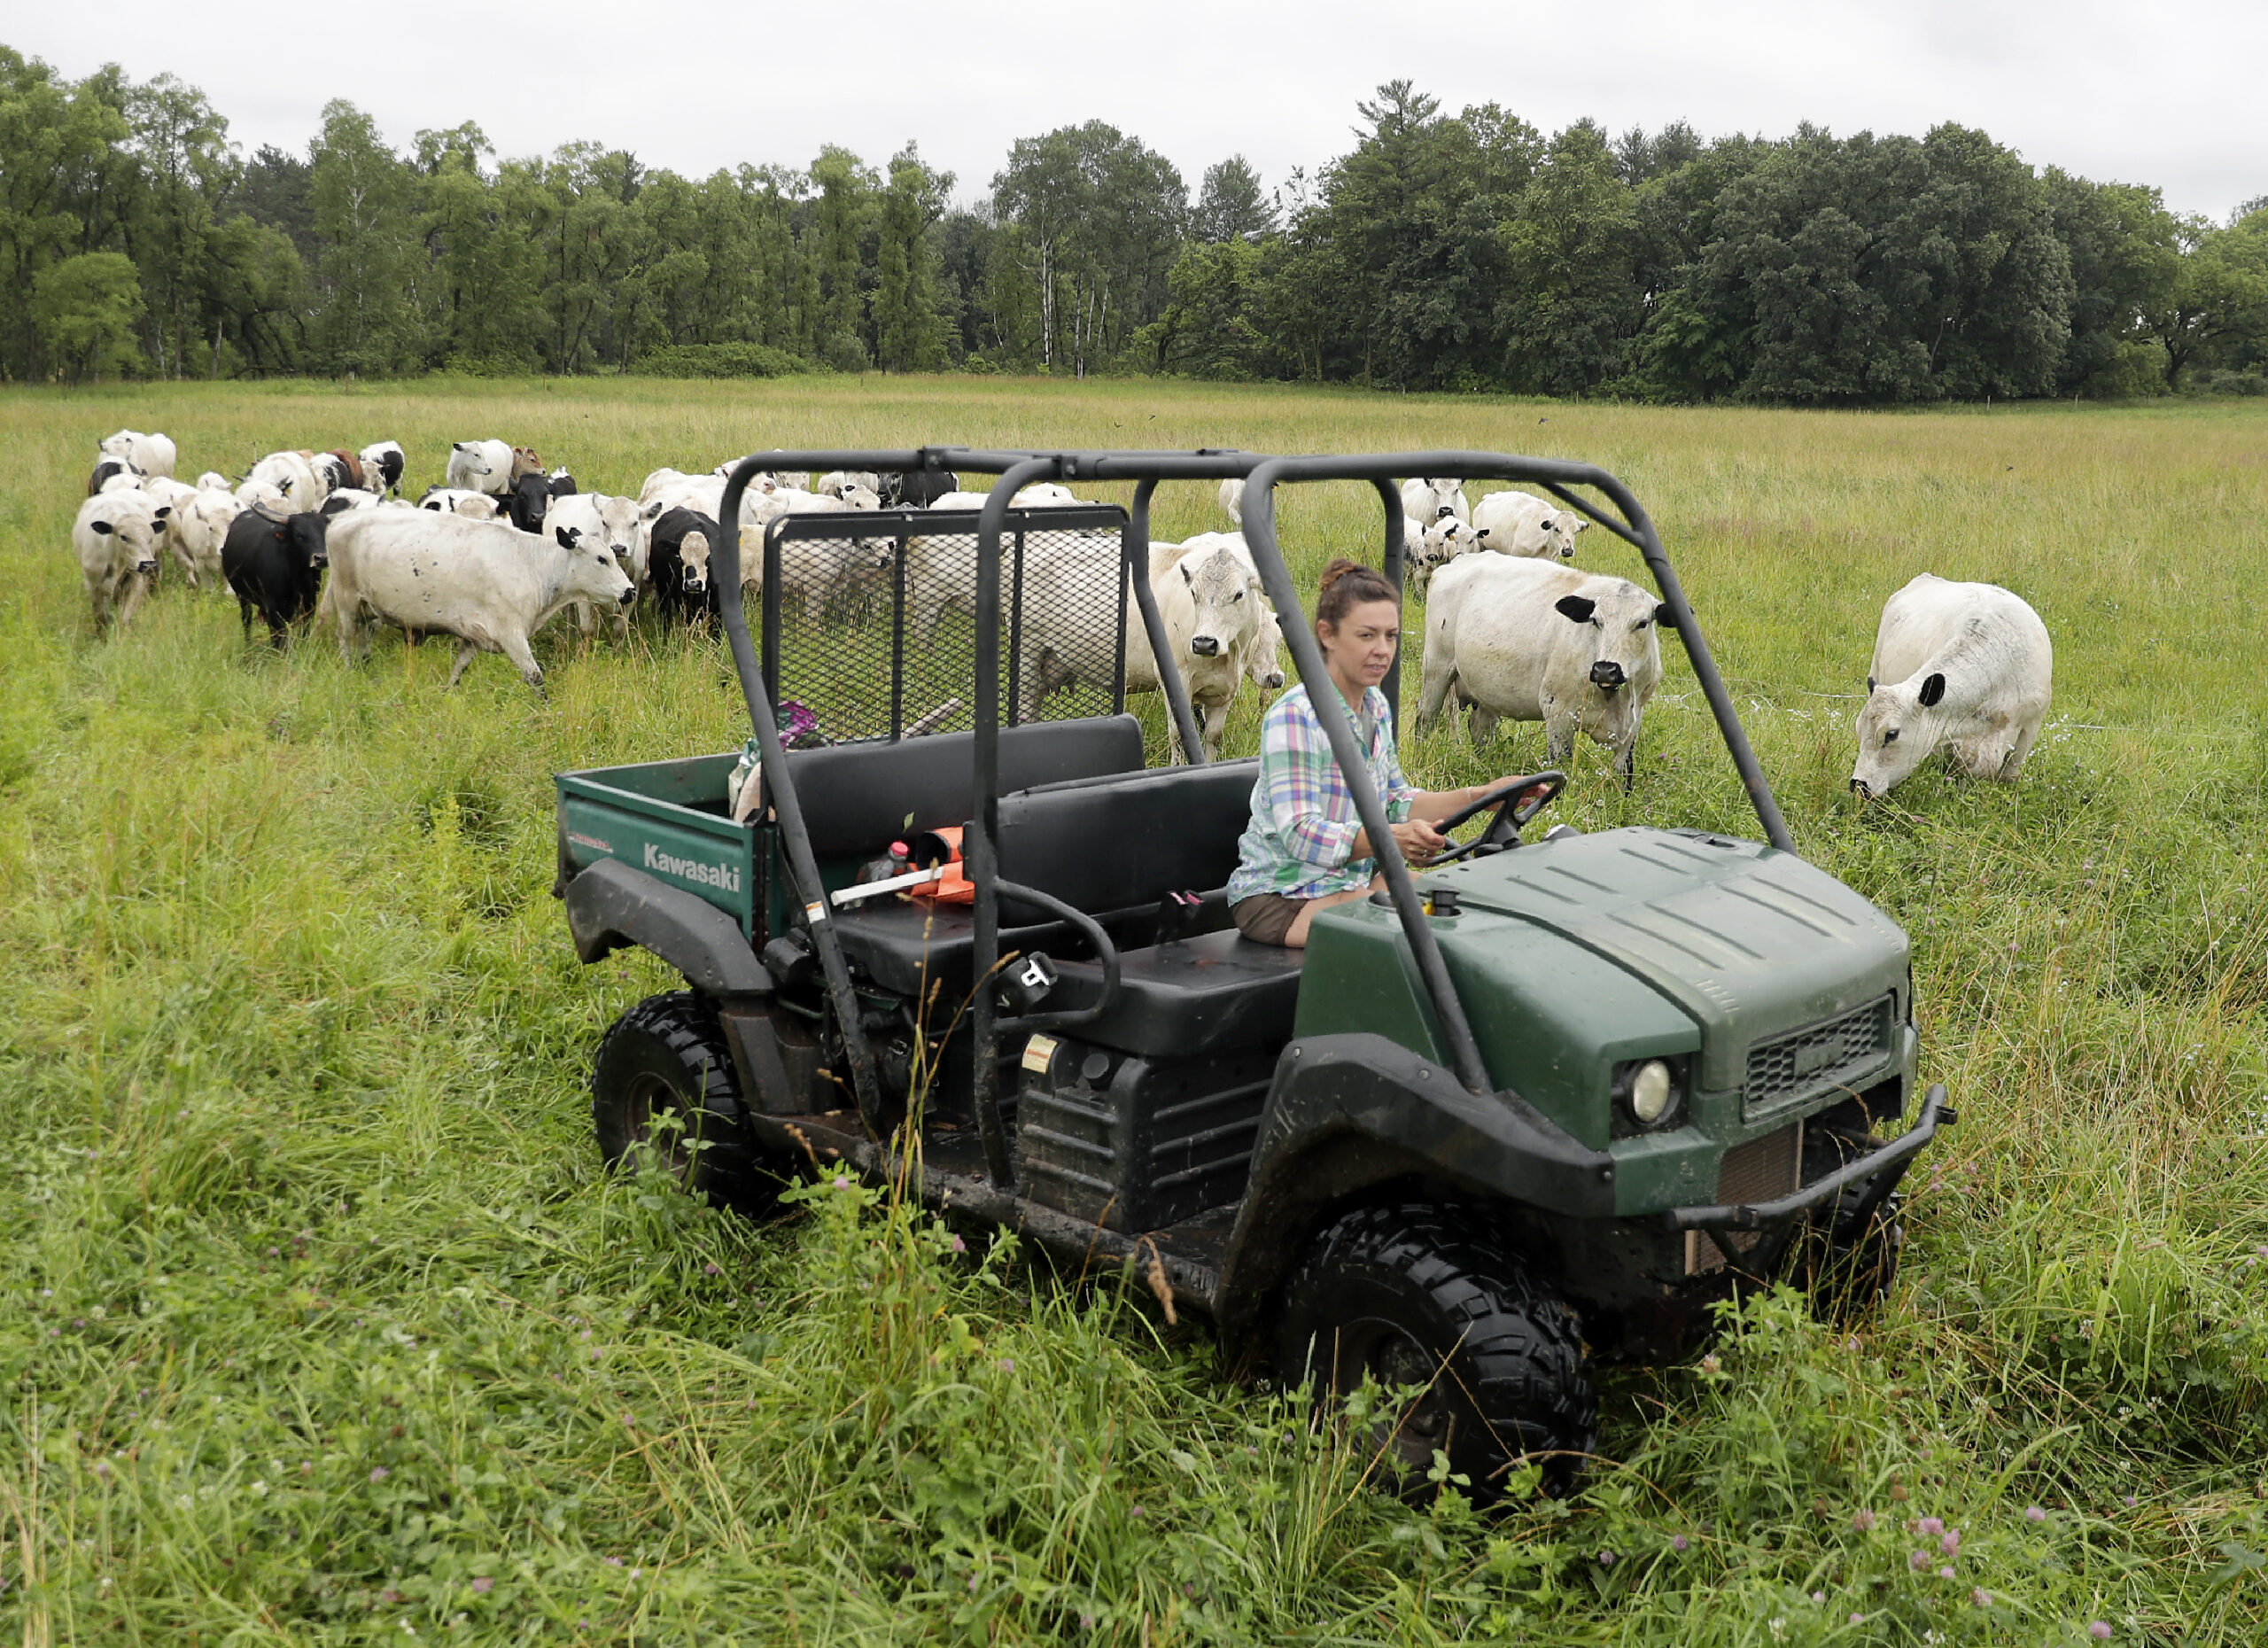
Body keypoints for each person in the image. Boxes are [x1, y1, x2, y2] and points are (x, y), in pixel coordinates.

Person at [1226, 558, 1529, 948]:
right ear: (1328, 635)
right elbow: (1300, 833)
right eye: (1367, 636)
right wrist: (1390, 840)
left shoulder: (1375, 708)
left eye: (1391, 636)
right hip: (1283, 897)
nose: (1383, 650)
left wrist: (1484, 796)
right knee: (1436, 938)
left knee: (1484, 908)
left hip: (1352, 880)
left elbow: (1397, 803)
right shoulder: (1295, 716)